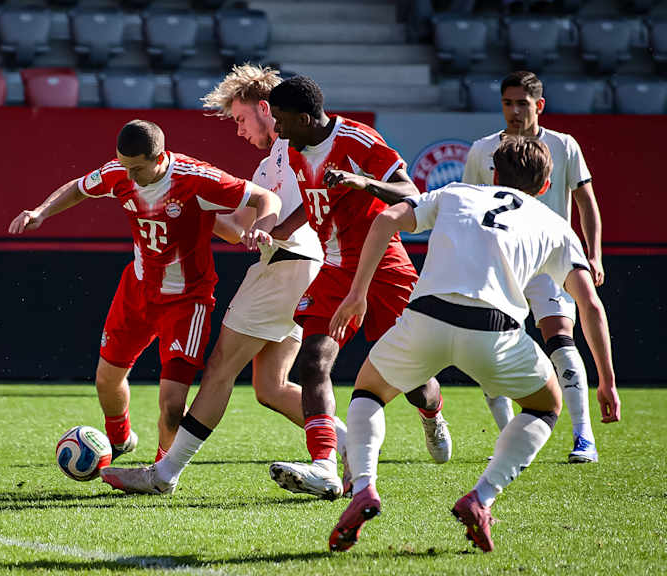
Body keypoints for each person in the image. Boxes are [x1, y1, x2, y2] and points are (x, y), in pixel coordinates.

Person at [327, 136, 620, 553]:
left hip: (426, 318)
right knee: (545, 406)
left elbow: (386, 219)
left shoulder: (455, 192)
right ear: (544, 184)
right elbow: (589, 303)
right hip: (494, 332)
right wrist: (606, 380)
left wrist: (358, 294)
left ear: (493, 174)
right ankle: (481, 498)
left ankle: (363, 488)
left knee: (369, 392)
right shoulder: (555, 224)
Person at [99, 65, 323, 495]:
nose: (238, 131)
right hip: (301, 269)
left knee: (219, 367)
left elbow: (304, 205)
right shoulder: (265, 165)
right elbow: (237, 229)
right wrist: (183, 201)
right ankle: (345, 452)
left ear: (265, 108)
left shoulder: (296, 148)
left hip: (288, 263)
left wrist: (273, 229)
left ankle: (164, 473)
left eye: (240, 119)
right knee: (270, 387)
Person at [8, 119, 281, 463]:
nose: (129, 176)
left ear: (159, 157)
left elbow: (265, 197)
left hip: (187, 301)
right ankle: (119, 441)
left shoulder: (195, 177)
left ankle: (162, 471)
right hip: (137, 289)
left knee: (171, 406)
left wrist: (261, 228)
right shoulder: (120, 172)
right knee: (106, 381)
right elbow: (79, 187)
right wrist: (41, 212)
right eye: (124, 166)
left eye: (137, 169)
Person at [262, 76, 451, 500]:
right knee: (313, 361)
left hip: (385, 267)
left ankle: (432, 410)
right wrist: (275, 231)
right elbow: (313, 209)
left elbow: (411, 192)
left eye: (282, 121)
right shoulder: (294, 150)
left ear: (307, 118)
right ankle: (325, 466)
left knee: (414, 380)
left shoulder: (359, 140)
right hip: (334, 269)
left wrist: (363, 182)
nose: (278, 130)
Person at [463, 70, 604, 463]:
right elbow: (470, 206)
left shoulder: (564, 146)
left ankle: (583, 437)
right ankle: (508, 437)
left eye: (522, 103)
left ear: (539, 105)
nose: (513, 111)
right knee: (487, 347)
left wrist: (593, 254)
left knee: (560, 338)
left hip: (547, 261)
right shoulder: (482, 150)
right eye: (507, 103)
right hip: (501, 261)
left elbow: (586, 202)